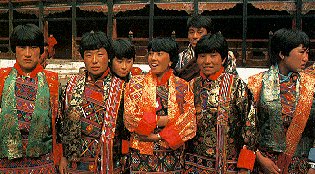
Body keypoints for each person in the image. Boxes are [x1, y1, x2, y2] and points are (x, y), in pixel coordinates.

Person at [185, 33, 257, 173]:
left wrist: (245, 167)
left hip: (229, 166)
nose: (207, 61)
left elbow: (250, 126)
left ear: (223, 59)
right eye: (202, 56)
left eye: (213, 56)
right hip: (193, 165)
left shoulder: (237, 86)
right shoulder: (190, 86)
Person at [59, 31, 128, 173]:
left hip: (108, 162)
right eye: (89, 55)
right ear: (83, 58)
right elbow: (63, 124)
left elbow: (126, 130)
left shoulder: (121, 87)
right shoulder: (72, 85)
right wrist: (64, 157)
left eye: (100, 54)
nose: (94, 60)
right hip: (76, 162)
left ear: (108, 56)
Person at [124, 37, 196, 173]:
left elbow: (189, 122)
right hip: (141, 157)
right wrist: (162, 120)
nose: (153, 58)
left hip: (172, 157)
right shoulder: (135, 84)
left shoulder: (183, 86)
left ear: (171, 60)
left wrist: (158, 136)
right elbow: (130, 119)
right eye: (151, 53)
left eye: (159, 54)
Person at [247, 28, 315, 174]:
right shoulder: (257, 83)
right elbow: (248, 127)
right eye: (301, 52)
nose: (306, 58)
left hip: (300, 165)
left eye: (307, 52)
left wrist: (313, 165)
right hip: (265, 164)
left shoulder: (311, 86)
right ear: (282, 54)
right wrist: (259, 158)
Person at [0, 24, 62, 173]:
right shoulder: (2, 78)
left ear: (41, 50)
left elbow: (59, 125)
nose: (27, 54)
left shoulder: (52, 81)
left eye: (33, 47)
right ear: (14, 49)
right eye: (22, 47)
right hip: (6, 162)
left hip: (42, 162)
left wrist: (59, 157)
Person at [175, 15, 237, 81]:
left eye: (200, 32)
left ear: (208, 33)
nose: (195, 36)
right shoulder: (181, 57)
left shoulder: (224, 55)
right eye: (191, 32)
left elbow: (232, 81)